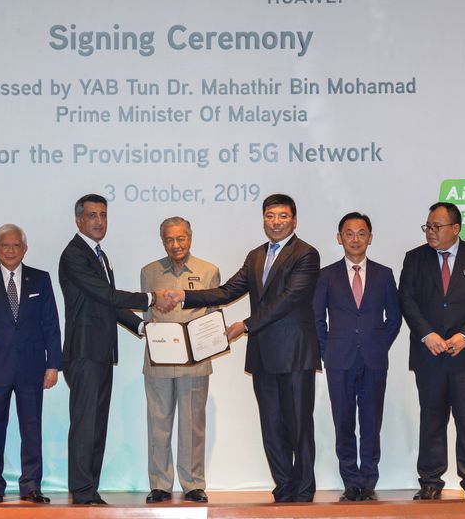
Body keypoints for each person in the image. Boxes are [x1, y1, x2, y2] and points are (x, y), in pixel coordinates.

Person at [163, 194, 321, 503]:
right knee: (271, 426)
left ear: (294, 220)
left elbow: (289, 299)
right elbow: (228, 291)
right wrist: (185, 296)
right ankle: (284, 487)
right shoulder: (256, 255)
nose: (276, 222)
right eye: (270, 216)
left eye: (282, 216)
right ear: (263, 219)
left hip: (294, 354)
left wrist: (245, 325)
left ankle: (303, 490)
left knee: (299, 426)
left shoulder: (306, 253)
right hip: (263, 355)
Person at [59, 194, 156, 505]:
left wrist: (142, 327)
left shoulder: (99, 255)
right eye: (92, 215)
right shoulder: (75, 254)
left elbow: (107, 303)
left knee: (97, 425)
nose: (99, 221)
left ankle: (90, 490)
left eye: (103, 215)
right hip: (84, 353)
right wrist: (151, 299)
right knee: (85, 425)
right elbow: (108, 295)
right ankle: (82, 491)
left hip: (101, 353)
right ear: (78, 220)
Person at [399, 202, 465, 500]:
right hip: (429, 355)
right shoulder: (415, 258)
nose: (430, 231)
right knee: (432, 418)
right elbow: (406, 300)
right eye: (427, 226)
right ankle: (430, 481)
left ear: (455, 229)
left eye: (436, 227)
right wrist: (427, 334)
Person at [0, 224, 61, 504]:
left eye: (16, 245)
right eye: (5, 245)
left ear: (25, 249)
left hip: (32, 367)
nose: (10, 250)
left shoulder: (40, 279)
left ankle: (31, 485)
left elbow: (51, 324)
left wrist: (53, 365)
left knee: (32, 427)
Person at [312, 212, 401, 502]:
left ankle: (369, 479)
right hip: (339, 360)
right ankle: (351, 480)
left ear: (370, 238)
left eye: (361, 233)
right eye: (349, 233)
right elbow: (317, 319)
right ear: (339, 238)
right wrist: (327, 350)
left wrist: (379, 345)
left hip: (374, 360)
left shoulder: (384, 274)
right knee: (344, 423)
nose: (355, 239)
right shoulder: (326, 275)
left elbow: (394, 318)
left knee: (372, 423)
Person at [140, 217, 220, 504]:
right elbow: (148, 316)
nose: (175, 244)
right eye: (169, 239)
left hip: (195, 363)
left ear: (190, 237)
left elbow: (212, 317)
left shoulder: (208, 271)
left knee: (192, 425)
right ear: (163, 241)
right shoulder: (149, 272)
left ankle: (193, 484)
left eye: (181, 238)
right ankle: (160, 484)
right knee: (158, 424)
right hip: (159, 362)